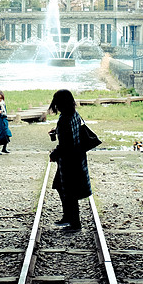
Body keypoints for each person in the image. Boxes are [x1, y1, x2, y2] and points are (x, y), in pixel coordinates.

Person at [48, 89, 93, 231]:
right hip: (77, 157)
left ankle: (75, 223)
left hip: (68, 161)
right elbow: (71, 135)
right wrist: (56, 132)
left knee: (69, 190)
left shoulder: (64, 119)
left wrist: (54, 153)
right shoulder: (74, 114)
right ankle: (68, 217)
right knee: (62, 188)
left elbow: (66, 144)